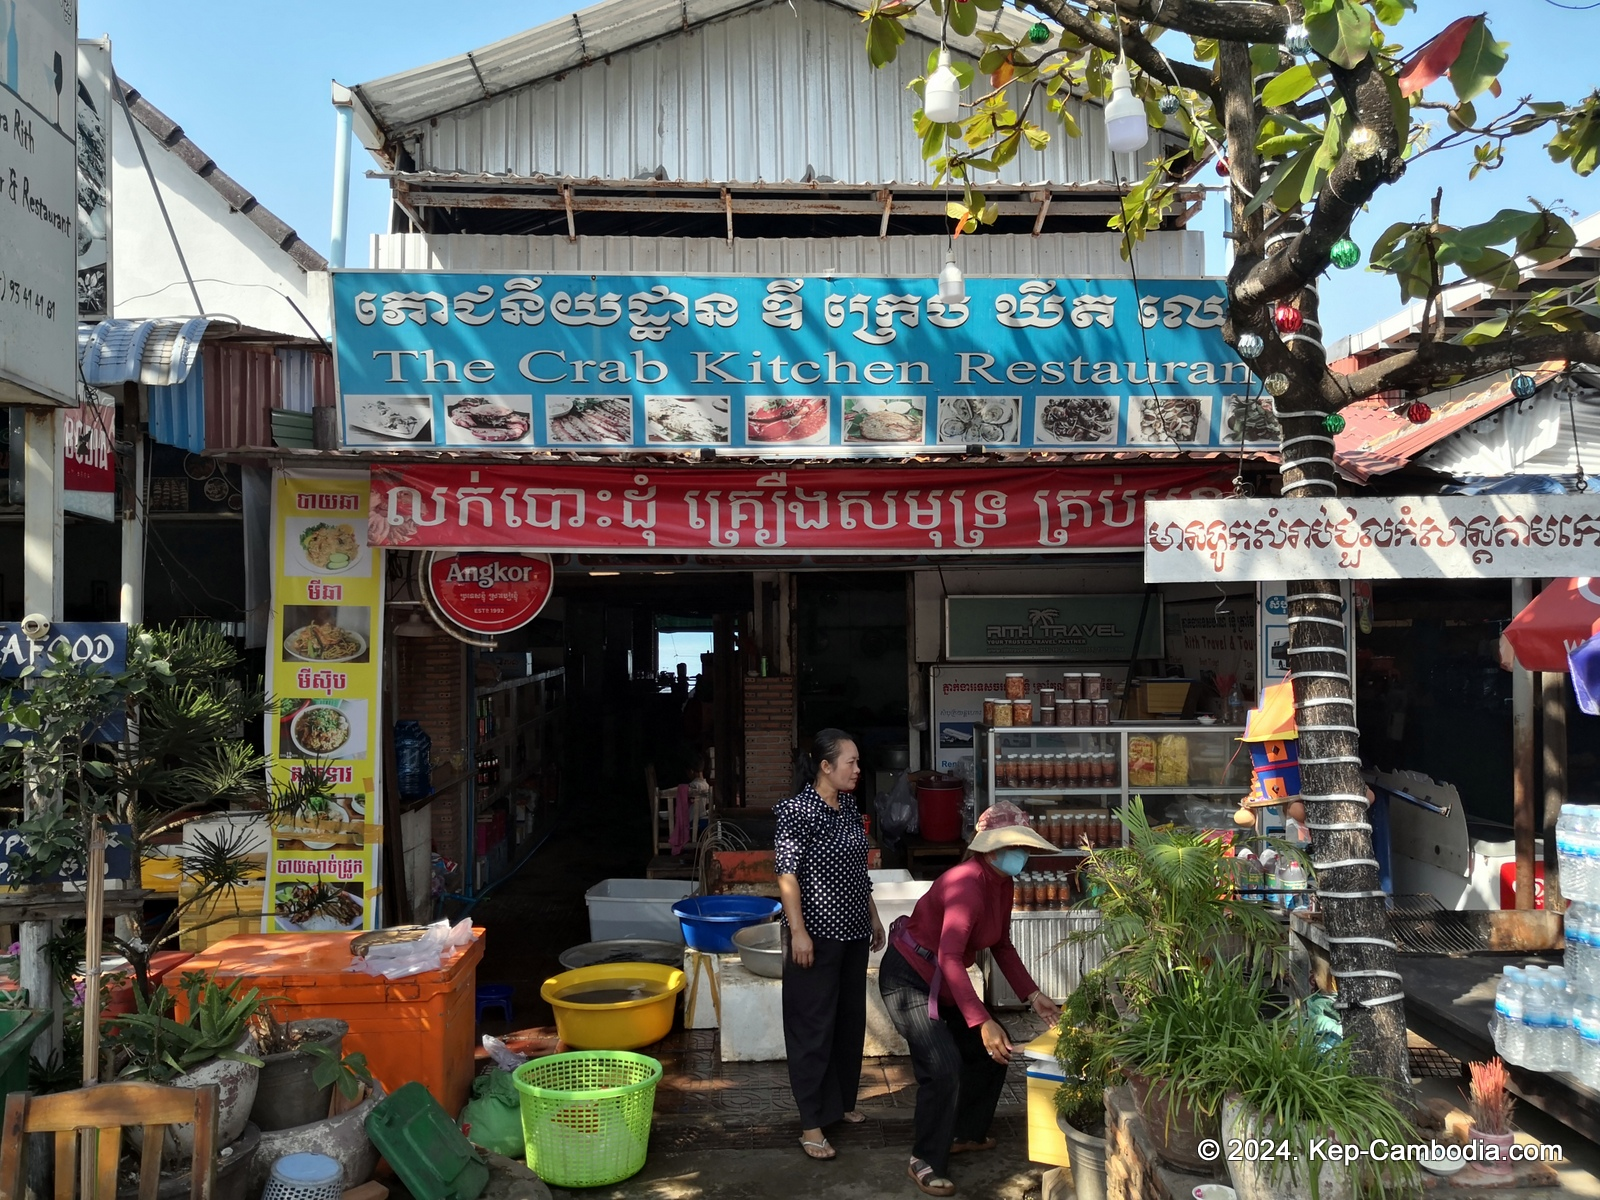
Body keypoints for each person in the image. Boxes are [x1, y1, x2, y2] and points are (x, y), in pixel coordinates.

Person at [878, 801, 1061, 1197]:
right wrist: (982, 1020)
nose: (1023, 856)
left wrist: (1033, 995)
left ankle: (963, 1133)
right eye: (1017, 847)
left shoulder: (1002, 882)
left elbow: (1002, 945)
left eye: (1025, 848)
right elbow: (948, 955)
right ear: (991, 849)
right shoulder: (966, 883)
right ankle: (924, 1158)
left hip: (943, 981)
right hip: (908, 978)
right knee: (943, 1066)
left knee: (993, 1054)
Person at [775, 728, 887, 1161]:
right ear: (825, 767)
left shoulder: (847, 807)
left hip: (855, 931)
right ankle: (811, 1123)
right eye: (851, 762)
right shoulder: (797, 810)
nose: (858, 770)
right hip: (816, 935)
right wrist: (797, 930)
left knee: (847, 1021)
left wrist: (874, 917)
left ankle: (840, 1104)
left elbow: (859, 870)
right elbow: (786, 874)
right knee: (811, 1027)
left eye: (858, 762)